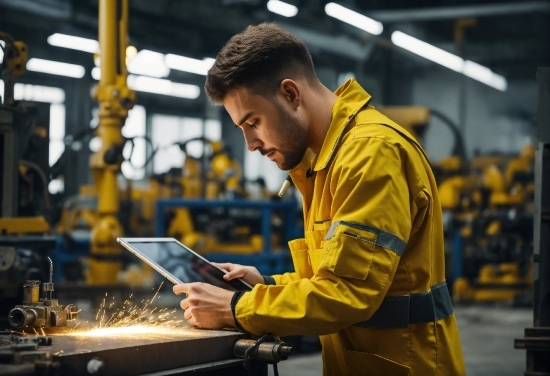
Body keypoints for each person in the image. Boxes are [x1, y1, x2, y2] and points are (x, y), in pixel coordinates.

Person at [173, 22, 465, 376]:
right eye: (242, 129)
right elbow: (334, 277)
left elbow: (346, 294)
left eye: (254, 122)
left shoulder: (369, 154)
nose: (250, 144)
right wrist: (266, 285)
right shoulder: (328, 161)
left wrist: (237, 307)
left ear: (291, 95)